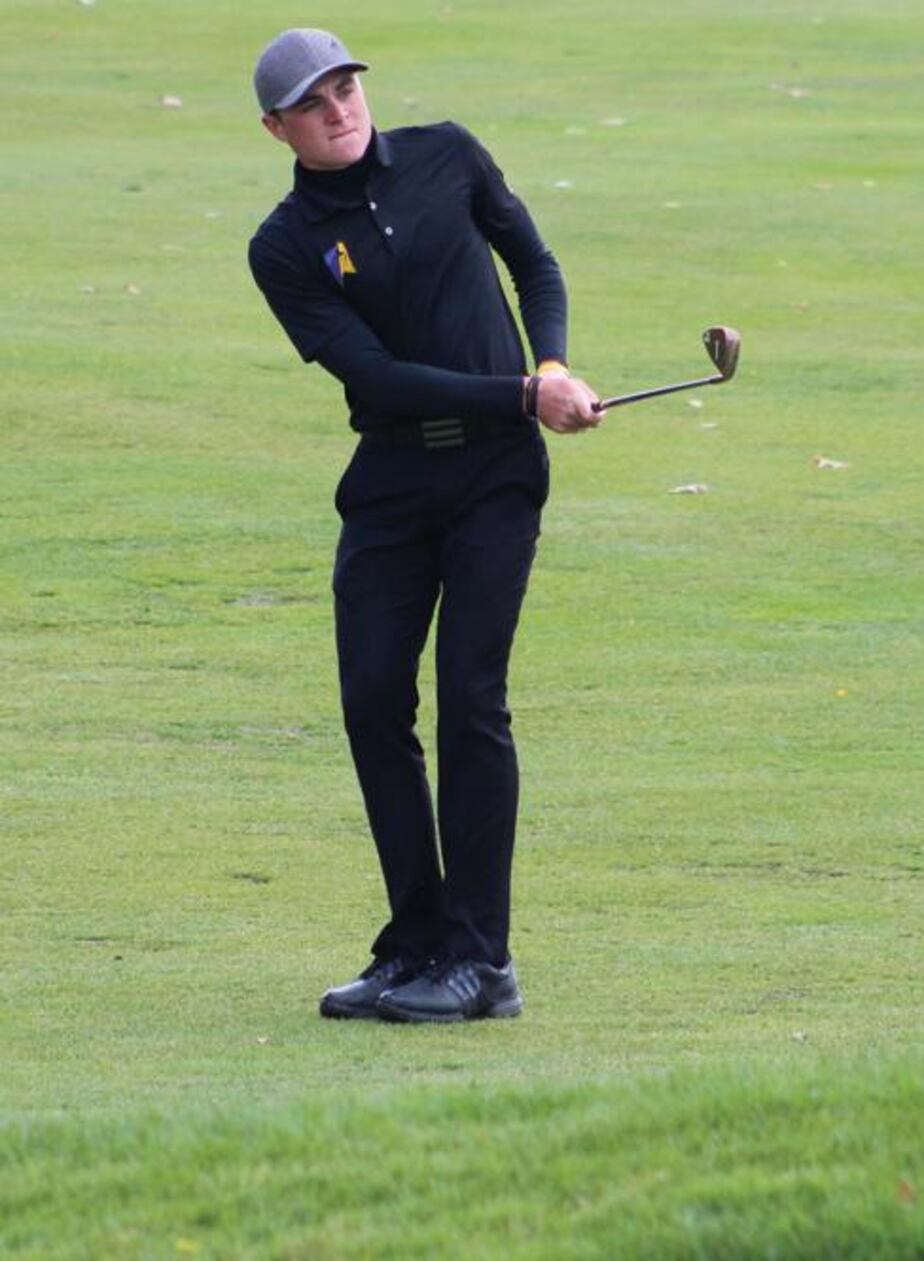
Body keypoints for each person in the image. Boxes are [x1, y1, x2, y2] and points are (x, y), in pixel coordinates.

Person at [247, 28, 603, 1022]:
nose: (339, 106)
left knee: (469, 698)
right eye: (313, 100)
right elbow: (380, 380)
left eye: (347, 85)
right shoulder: (282, 247)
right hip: (393, 482)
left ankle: (481, 963)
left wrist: (556, 362)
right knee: (370, 700)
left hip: (495, 479)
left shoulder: (448, 154)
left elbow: (534, 265)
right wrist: (523, 390)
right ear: (279, 127)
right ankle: (416, 943)